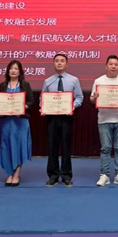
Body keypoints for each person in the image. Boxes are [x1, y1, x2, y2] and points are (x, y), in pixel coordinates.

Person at [41, 53, 83, 187]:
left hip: (67, 117)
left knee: (66, 147)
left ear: (67, 64)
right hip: (52, 118)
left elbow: (79, 97)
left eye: (62, 61)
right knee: (52, 147)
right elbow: (42, 98)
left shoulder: (74, 80)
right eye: (57, 61)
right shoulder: (48, 81)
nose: (59, 63)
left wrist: (72, 106)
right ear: (53, 64)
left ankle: (66, 176)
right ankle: (53, 175)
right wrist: (43, 107)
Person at [89, 55, 118, 186]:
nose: (113, 66)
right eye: (111, 64)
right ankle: (105, 175)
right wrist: (94, 97)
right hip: (104, 119)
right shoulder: (98, 81)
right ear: (106, 66)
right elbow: (91, 99)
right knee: (105, 148)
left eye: (116, 64)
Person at [0, 60, 34, 187]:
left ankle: (17, 173)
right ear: (8, 71)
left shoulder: (25, 85)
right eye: (11, 68)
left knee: (19, 146)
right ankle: (9, 173)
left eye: (16, 69)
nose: (13, 71)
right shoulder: (3, 85)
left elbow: (31, 101)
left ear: (20, 71)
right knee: (6, 146)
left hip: (20, 121)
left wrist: (23, 107)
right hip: (6, 121)